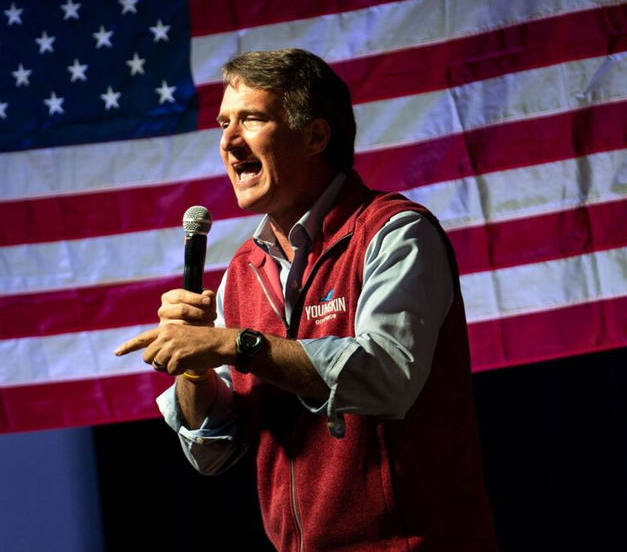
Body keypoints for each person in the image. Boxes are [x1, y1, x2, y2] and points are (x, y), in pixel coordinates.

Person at [115, 48, 497, 550]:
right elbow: (212, 454)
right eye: (223, 123)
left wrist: (237, 345)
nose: (228, 141)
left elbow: (386, 378)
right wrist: (196, 367)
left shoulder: (394, 234)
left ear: (315, 136)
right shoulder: (241, 274)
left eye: (251, 119)